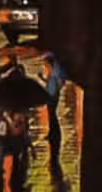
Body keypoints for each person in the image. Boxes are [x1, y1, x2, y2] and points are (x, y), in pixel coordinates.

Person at [0, 80, 35, 191]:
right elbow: (17, 126)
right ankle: (2, 177)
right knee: (6, 155)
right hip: (6, 134)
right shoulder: (5, 106)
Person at [41, 51, 69, 179]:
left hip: (52, 97)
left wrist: (55, 90)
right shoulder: (52, 73)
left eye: (46, 63)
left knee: (52, 116)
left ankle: (54, 134)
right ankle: (52, 133)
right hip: (50, 96)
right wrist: (42, 79)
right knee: (51, 116)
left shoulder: (55, 73)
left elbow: (58, 84)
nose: (45, 65)